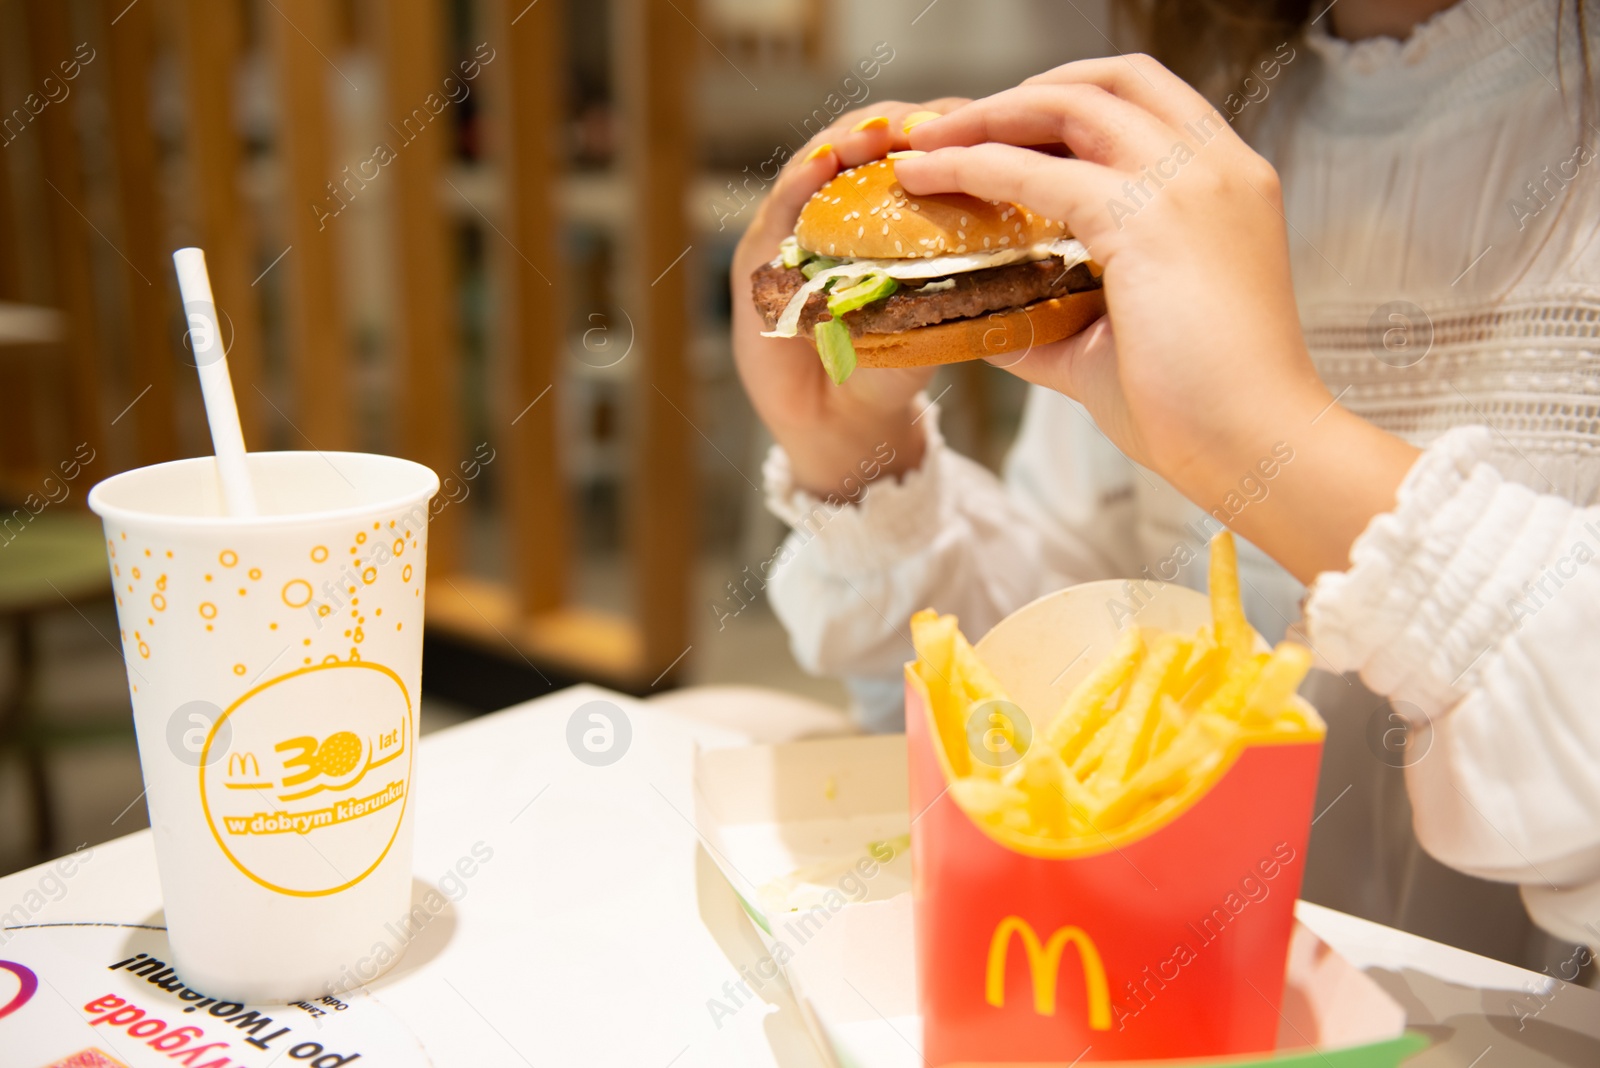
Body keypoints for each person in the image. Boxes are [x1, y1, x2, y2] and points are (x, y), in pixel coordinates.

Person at [730, 0, 1600, 970]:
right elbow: (1050, 695)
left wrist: (1274, 441)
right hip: (1151, 985)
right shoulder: (1183, 143)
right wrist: (854, 449)